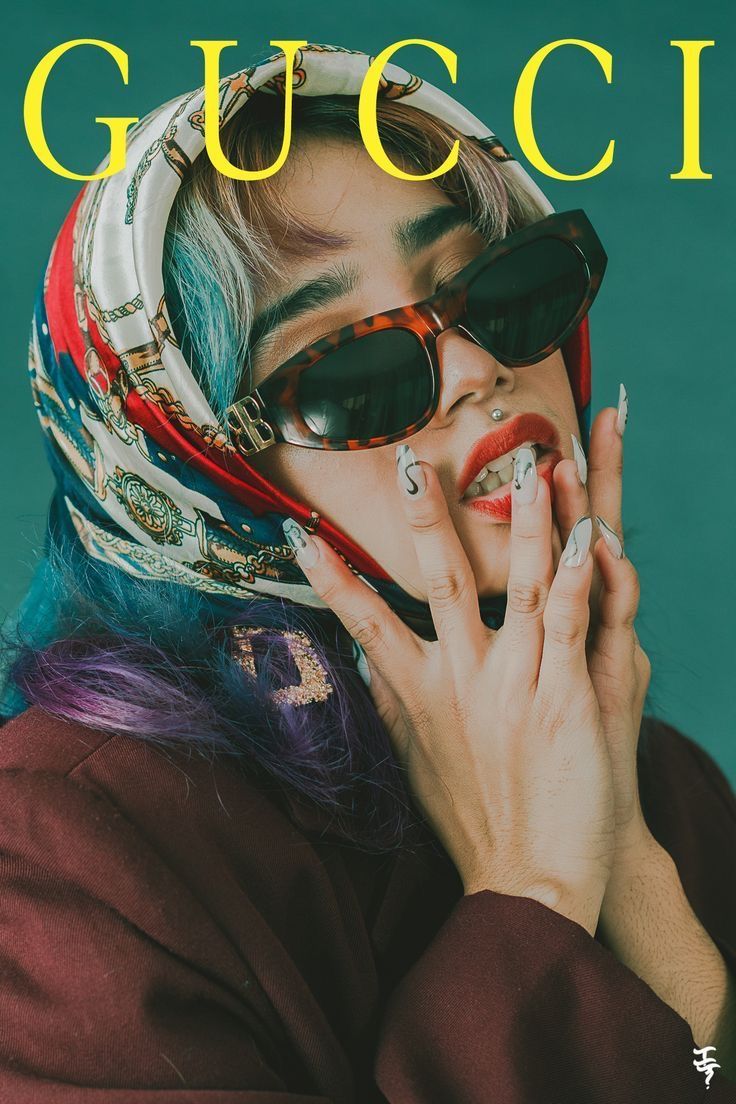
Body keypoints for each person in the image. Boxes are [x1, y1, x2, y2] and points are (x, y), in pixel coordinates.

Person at [0, 42, 734, 1103]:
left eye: (502, 289)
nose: (481, 368)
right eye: (352, 365)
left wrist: (629, 861)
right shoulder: (64, 858)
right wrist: (533, 887)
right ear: (201, 463)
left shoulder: (660, 780)